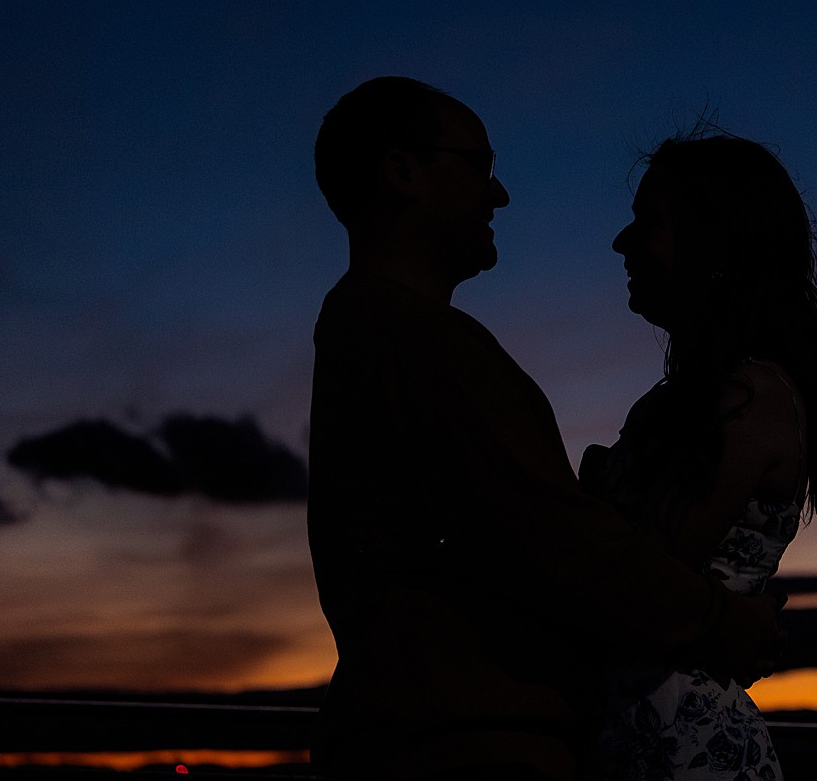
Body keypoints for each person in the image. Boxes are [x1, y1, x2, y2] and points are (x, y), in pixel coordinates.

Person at [307, 78, 782, 781]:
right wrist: (728, 624)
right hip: (470, 749)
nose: (498, 195)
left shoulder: (367, 332)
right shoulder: (417, 343)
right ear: (403, 171)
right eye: (480, 166)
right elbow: (562, 542)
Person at [580, 132, 817, 780]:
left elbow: (640, 580)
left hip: (681, 753)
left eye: (648, 223)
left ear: (714, 246)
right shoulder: (686, 400)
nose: (623, 243)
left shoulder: (749, 396)